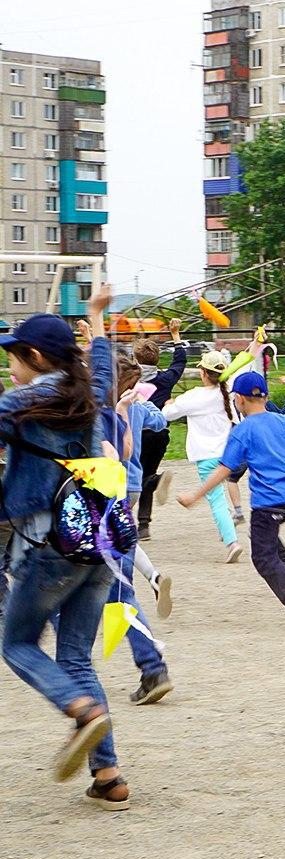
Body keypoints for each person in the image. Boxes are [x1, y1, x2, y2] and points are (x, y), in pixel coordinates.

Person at [0, 290, 129, 807]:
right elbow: (103, 366)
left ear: (34, 357)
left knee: (16, 644)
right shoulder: (87, 394)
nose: (9, 364)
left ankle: (82, 710)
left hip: (49, 542)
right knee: (75, 655)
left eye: (13, 355)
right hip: (98, 539)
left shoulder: (21, 402)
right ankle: (109, 777)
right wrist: (96, 319)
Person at [180, 371, 285, 633]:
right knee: (263, 534)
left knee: (263, 557)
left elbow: (222, 470)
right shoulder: (282, 419)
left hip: (269, 503)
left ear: (239, 400)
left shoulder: (242, 431)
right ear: (264, 396)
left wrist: (195, 496)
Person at [107, 355, 175, 705]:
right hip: (127, 489)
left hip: (100, 504)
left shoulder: (97, 409)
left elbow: (122, 450)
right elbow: (160, 419)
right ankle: (152, 575)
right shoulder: (132, 401)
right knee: (116, 590)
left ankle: (151, 663)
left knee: (114, 594)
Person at [160, 346, 248, 563]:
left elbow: (166, 415)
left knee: (216, 500)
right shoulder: (227, 392)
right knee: (220, 500)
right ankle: (228, 530)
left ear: (203, 373)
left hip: (206, 457)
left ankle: (232, 543)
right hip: (227, 455)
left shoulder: (194, 396)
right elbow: (246, 357)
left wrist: (170, 403)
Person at [130, 323, 188, 537]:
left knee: (136, 475)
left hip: (136, 434)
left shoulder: (129, 380)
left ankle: (155, 481)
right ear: (156, 360)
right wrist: (175, 334)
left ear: (135, 360)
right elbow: (180, 361)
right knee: (147, 471)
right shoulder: (164, 379)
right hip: (160, 434)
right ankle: (143, 525)